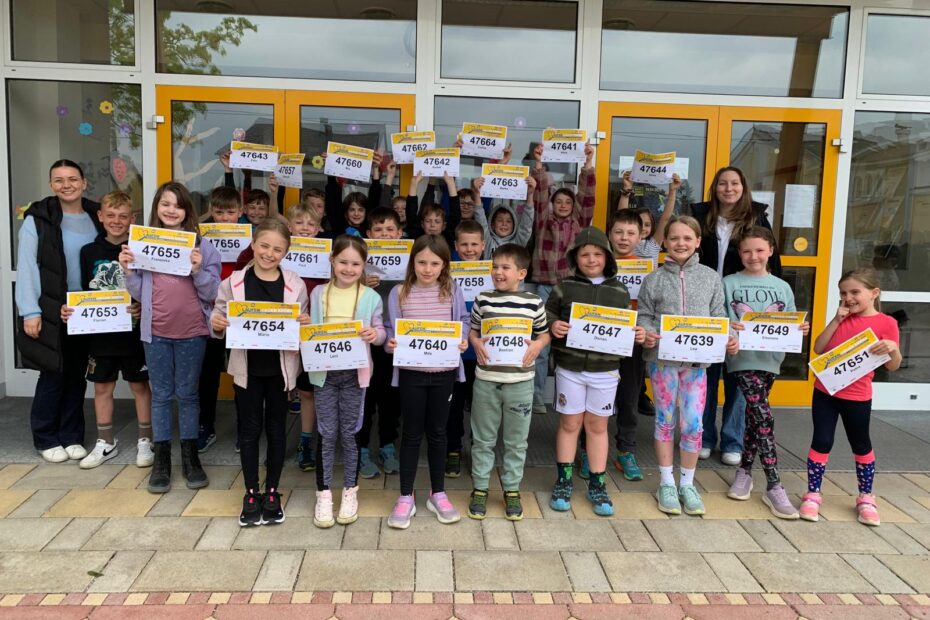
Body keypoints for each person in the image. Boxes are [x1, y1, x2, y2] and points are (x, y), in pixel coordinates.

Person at [120, 182, 221, 494]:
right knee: (161, 395)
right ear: (157, 208)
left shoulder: (203, 247)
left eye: (177, 205)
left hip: (193, 333)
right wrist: (128, 271)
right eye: (165, 204)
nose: (171, 210)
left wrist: (197, 270)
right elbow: (140, 293)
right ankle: (162, 459)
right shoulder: (143, 243)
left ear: (187, 211)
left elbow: (214, 291)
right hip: (156, 333)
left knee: (188, 395)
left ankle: (190, 457)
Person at [210, 218, 310, 526]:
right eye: (264, 245)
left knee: (277, 429)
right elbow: (218, 314)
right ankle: (251, 491)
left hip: (280, 371)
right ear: (253, 244)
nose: (269, 253)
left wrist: (305, 324)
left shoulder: (295, 284)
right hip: (247, 370)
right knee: (250, 430)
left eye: (277, 249)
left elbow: (302, 326)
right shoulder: (233, 282)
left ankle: (273, 490)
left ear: (286, 253)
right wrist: (217, 323)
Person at [638, 216, 738, 516]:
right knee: (665, 420)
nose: (680, 243)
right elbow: (644, 315)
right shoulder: (653, 279)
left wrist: (728, 337)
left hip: (696, 365)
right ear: (665, 242)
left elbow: (719, 316)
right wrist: (647, 333)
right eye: (674, 238)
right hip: (662, 362)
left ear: (697, 242)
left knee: (694, 424)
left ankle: (687, 483)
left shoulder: (710, 278)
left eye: (687, 238)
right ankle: (666, 482)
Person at [547, 227, 644, 517]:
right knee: (569, 424)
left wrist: (637, 332)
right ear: (575, 258)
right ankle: (563, 480)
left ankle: (598, 483)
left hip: (606, 370)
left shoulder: (619, 290)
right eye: (585, 254)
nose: (591, 260)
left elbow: (627, 324)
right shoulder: (564, 286)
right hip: (570, 367)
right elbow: (548, 313)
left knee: (598, 426)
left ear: (607, 257)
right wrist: (553, 324)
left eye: (598, 254)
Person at [16, 160, 104, 462]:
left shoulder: (96, 216)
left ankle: (71, 435)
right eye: (59, 180)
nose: (67, 185)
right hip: (52, 309)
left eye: (72, 179)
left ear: (84, 182)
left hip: (87, 311)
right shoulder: (38, 220)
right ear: (51, 184)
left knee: (77, 375)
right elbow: (27, 267)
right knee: (53, 374)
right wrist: (30, 312)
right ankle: (45, 437)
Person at [691, 167, 781, 466]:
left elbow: (772, 266)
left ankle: (733, 440)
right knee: (706, 375)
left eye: (735, 183)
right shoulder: (700, 215)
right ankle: (704, 437)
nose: (728, 189)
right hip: (704, 303)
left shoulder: (756, 217)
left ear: (743, 187)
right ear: (714, 187)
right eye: (722, 183)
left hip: (743, 305)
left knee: (738, 378)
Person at [58, 191, 153, 469]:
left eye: (123, 216)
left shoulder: (139, 250)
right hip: (100, 335)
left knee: (139, 386)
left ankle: (145, 440)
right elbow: (83, 291)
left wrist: (142, 306)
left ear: (132, 219)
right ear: (100, 216)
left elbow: (150, 288)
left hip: (133, 334)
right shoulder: (88, 252)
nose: (116, 221)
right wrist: (71, 309)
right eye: (110, 215)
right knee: (102, 387)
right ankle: (105, 442)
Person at [800, 268, 901, 526]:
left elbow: (892, 366)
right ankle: (813, 493)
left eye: (855, 292)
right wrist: (836, 320)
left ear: (874, 293)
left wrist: (893, 349)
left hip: (857, 396)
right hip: (825, 392)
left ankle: (866, 497)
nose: (848, 298)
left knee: (860, 443)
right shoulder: (842, 319)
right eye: (843, 293)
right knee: (821, 440)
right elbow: (818, 348)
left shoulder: (887, 323)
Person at [724, 227, 810, 519]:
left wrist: (800, 328)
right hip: (742, 359)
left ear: (771, 251)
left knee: (754, 416)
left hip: (771, 359)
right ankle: (774, 485)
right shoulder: (729, 283)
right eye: (747, 251)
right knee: (763, 417)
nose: (753, 256)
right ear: (739, 253)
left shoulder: (781, 286)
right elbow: (721, 318)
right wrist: (728, 329)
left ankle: (744, 473)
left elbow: (791, 318)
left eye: (759, 250)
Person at [385, 235, 469, 529]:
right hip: (411, 373)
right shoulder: (399, 292)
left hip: (443, 373)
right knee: (411, 433)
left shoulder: (452, 289)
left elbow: (464, 320)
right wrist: (391, 343)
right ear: (413, 262)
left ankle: (438, 493)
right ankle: (405, 495)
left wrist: (462, 339)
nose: (427, 269)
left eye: (434, 263)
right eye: (421, 262)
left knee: (438, 432)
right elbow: (390, 329)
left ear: (444, 265)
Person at [468, 243, 549, 520]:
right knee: (483, 439)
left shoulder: (534, 302)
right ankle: (480, 487)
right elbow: (473, 331)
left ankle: (512, 489)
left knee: (516, 441)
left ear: (521, 273)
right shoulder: (483, 299)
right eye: (495, 267)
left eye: (505, 267)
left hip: (520, 382)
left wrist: (538, 346)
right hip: (486, 380)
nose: (498, 272)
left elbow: (544, 334)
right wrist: (475, 342)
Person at [309, 236, 386, 528]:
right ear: (332, 261)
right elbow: (310, 327)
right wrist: (305, 325)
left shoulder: (370, 297)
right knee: (327, 433)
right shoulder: (318, 293)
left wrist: (375, 335)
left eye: (355, 264)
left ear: (364, 266)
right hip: (324, 375)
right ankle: (324, 494)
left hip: (355, 375)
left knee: (351, 434)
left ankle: (350, 491)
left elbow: (380, 330)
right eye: (343, 262)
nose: (349, 269)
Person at [530, 142, 596, 414]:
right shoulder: (543, 221)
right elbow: (540, 196)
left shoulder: (580, 223)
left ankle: (566, 399)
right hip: (545, 288)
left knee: (569, 346)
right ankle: (536, 398)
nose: (564, 205)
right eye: (559, 201)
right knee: (541, 346)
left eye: (568, 201)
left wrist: (588, 164)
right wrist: (539, 164)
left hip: (570, 289)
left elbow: (587, 197)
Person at [356, 208, 405, 478]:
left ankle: (387, 445)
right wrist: (360, 283)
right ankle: (361, 449)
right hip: (364, 339)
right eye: (378, 230)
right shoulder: (357, 264)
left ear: (400, 234)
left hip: (395, 340)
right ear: (368, 234)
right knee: (365, 396)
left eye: (390, 230)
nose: (384, 235)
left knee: (390, 397)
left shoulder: (410, 263)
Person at [197, 185, 243, 453]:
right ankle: (206, 425)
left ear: (240, 212)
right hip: (210, 313)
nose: (225, 218)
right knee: (208, 373)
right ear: (211, 212)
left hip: (241, 315)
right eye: (219, 212)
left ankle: (244, 428)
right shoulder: (202, 238)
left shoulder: (249, 238)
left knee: (241, 374)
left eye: (230, 212)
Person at [446, 219, 487, 477]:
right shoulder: (446, 274)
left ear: (483, 245)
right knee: (454, 405)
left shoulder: (493, 274)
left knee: (481, 406)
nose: (469, 249)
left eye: (474, 244)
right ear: (455, 246)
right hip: (455, 352)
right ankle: (453, 448)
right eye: (464, 244)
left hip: (483, 352)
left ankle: (478, 450)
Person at [616, 170, 681, 267]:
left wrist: (672, 190)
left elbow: (665, 219)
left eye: (647, 225)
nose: (643, 227)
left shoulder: (654, 243)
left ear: (652, 227)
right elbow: (622, 217)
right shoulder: (626, 241)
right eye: (639, 223)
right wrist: (627, 188)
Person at [472, 174, 537, 259]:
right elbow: (480, 218)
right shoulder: (487, 242)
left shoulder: (518, 242)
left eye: (508, 221)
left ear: (514, 226)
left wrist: (530, 195)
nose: (504, 224)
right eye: (500, 220)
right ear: (492, 225)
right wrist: (477, 194)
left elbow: (526, 226)